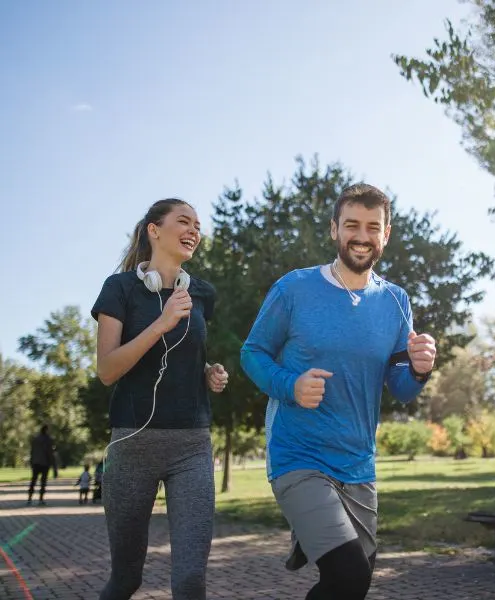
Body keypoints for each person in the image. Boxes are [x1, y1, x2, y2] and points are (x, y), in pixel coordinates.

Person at [240, 183, 437, 600]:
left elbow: (399, 387)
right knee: (348, 576)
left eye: (372, 227)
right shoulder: (294, 288)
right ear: (334, 229)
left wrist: (419, 370)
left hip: (358, 464)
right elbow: (252, 352)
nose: (361, 236)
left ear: (386, 234)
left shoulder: (396, 301)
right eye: (351, 225)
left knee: (350, 583)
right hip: (299, 454)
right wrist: (289, 385)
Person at [91, 198, 229, 600]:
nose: (194, 231)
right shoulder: (119, 289)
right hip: (132, 444)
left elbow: (185, 355)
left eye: (198, 225)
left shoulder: (202, 293)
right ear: (154, 230)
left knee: (189, 581)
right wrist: (162, 322)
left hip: (192, 446)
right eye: (183, 221)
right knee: (126, 578)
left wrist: (208, 373)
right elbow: (107, 370)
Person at [27, 424, 57, 506]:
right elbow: (50, 453)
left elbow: (32, 451)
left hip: (36, 462)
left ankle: (29, 498)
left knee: (33, 480)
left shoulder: (35, 439)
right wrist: (54, 467)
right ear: (46, 430)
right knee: (43, 482)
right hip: (45, 463)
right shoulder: (49, 440)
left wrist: (31, 461)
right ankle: (41, 499)